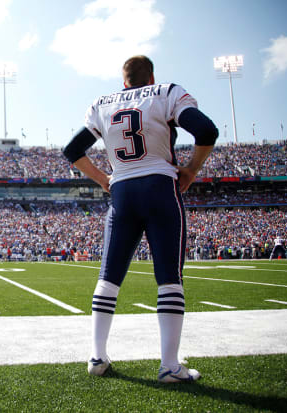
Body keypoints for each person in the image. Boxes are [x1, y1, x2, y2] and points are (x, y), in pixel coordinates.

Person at [63, 55, 218, 383]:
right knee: (169, 278)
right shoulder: (167, 92)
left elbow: (73, 149)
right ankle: (169, 365)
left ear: (124, 82)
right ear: (151, 77)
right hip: (160, 186)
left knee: (108, 277)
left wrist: (103, 179)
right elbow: (206, 130)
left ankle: (96, 356)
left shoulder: (102, 103)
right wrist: (191, 169)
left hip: (122, 192)